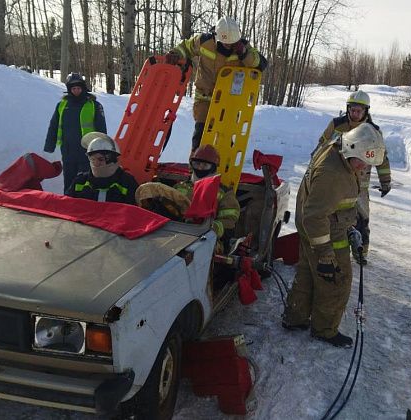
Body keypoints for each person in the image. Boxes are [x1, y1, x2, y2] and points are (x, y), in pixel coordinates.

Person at [282, 123, 386, 348]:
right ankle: (325, 330)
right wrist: (326, 255)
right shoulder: (333, 174)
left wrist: (350, 225)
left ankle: (295, 317)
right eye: (362, 162)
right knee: (336, 282)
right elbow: (315, 216)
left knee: (308, 274)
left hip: (318, 228)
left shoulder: (337, 148)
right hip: (324, 233)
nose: (363, 168)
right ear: (352, 149)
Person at [165, 17, 268, 152]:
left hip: (229, 102)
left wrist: (244, 54)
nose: (229, 46)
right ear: (217, 37)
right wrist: (175, 54)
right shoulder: (204, 41)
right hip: (205, 98)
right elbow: (186, 47)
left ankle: (222, 170)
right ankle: (196, 170)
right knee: (200, 137)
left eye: (232, 43)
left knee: (225, 139)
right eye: (226, 43)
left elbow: (260, 63)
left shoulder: (243, 47)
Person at [312, 90, 392, 265]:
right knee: (332, 215)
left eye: (359, 111)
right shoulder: (336, 125)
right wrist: (314, 169)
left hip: (360, 184)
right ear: (348, 109)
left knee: (361, 218)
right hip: (336, 180)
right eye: (353, 110)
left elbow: (381, 157)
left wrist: (385, 181)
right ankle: (331, 248)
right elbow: (322, 146)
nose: (355, 114)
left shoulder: (373, 131)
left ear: (366, 111)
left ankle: (361, 252)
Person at [44, 73, 107, 192]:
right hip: (68, 151)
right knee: (69, 179)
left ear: (83, 88)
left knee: (85, 179)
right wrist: (49, 145)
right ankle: (68, 202)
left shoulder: (94, 105)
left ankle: (84, 202)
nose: (76, 91)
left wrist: (101, 149)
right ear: (69, 89)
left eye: (79, 88)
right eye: (73, 88)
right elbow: (53, 126)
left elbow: (101, 129)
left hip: (87, 151)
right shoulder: (62, 105)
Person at [174, 144, 240, 250]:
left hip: (205, 239)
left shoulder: (225, 193)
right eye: (197, 163)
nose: (200, 167)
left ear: (213, 167)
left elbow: (229, 220)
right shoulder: (180, 187)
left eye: (205, 165)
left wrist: (212, 228)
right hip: (175, 232)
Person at [65, 132, 138, 205]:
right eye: (92, 159)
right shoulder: (80, 181)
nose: (96, 163)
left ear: (113, 159)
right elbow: (66, 207)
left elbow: (137, 212)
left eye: (101, 159)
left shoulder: (127, 182)